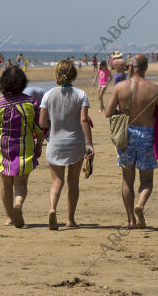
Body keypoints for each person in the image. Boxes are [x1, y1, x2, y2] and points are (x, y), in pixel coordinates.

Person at [0, 66, 45, 228]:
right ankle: (18, 203)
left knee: (5, 184)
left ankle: (9, 217)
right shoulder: (31, 103)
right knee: (21, 184)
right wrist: (39, 145)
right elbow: (39, 128)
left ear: (4, 85)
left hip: (3, 149)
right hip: (25, 148)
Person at [105, 54, 158, 229]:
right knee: (147, 180)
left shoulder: (120, 87)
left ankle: (130, 221)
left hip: (125, 135)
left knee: (127, 179)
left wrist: (122, 108)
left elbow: (108, 112)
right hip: (147, 135)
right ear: (145, 68)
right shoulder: (154, 89)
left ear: (131, 68)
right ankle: (140, 205)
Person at [39, 61, 93, 230]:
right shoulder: (81, 94)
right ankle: (70, 220)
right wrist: (89, 143)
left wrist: (43, 137)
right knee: (73, 182)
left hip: (55, 143)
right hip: (76, 142)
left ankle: (52, 209)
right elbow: (84, 120)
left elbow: (42, 123)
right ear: (74, 75)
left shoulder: (48, 95)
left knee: (57, 181)